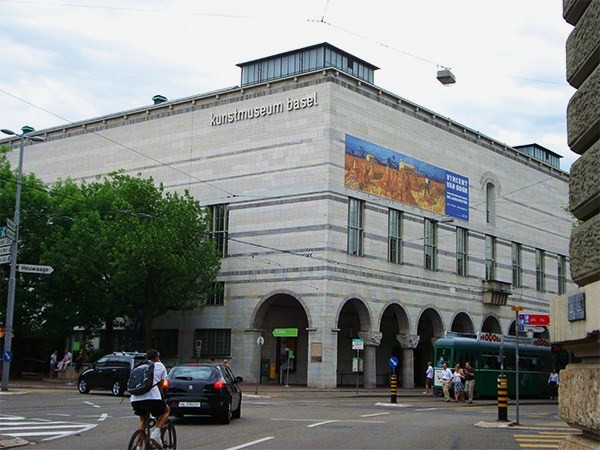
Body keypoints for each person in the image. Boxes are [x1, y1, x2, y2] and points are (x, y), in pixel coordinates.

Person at [131, 349, 169, 449]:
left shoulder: (139, 366)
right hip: (153, 398)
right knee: (166, 411)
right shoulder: (160, 366)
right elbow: (163, 384)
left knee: (143, 419)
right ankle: (156, 433)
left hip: (135, 398)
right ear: (157, 357)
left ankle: (139, 447)